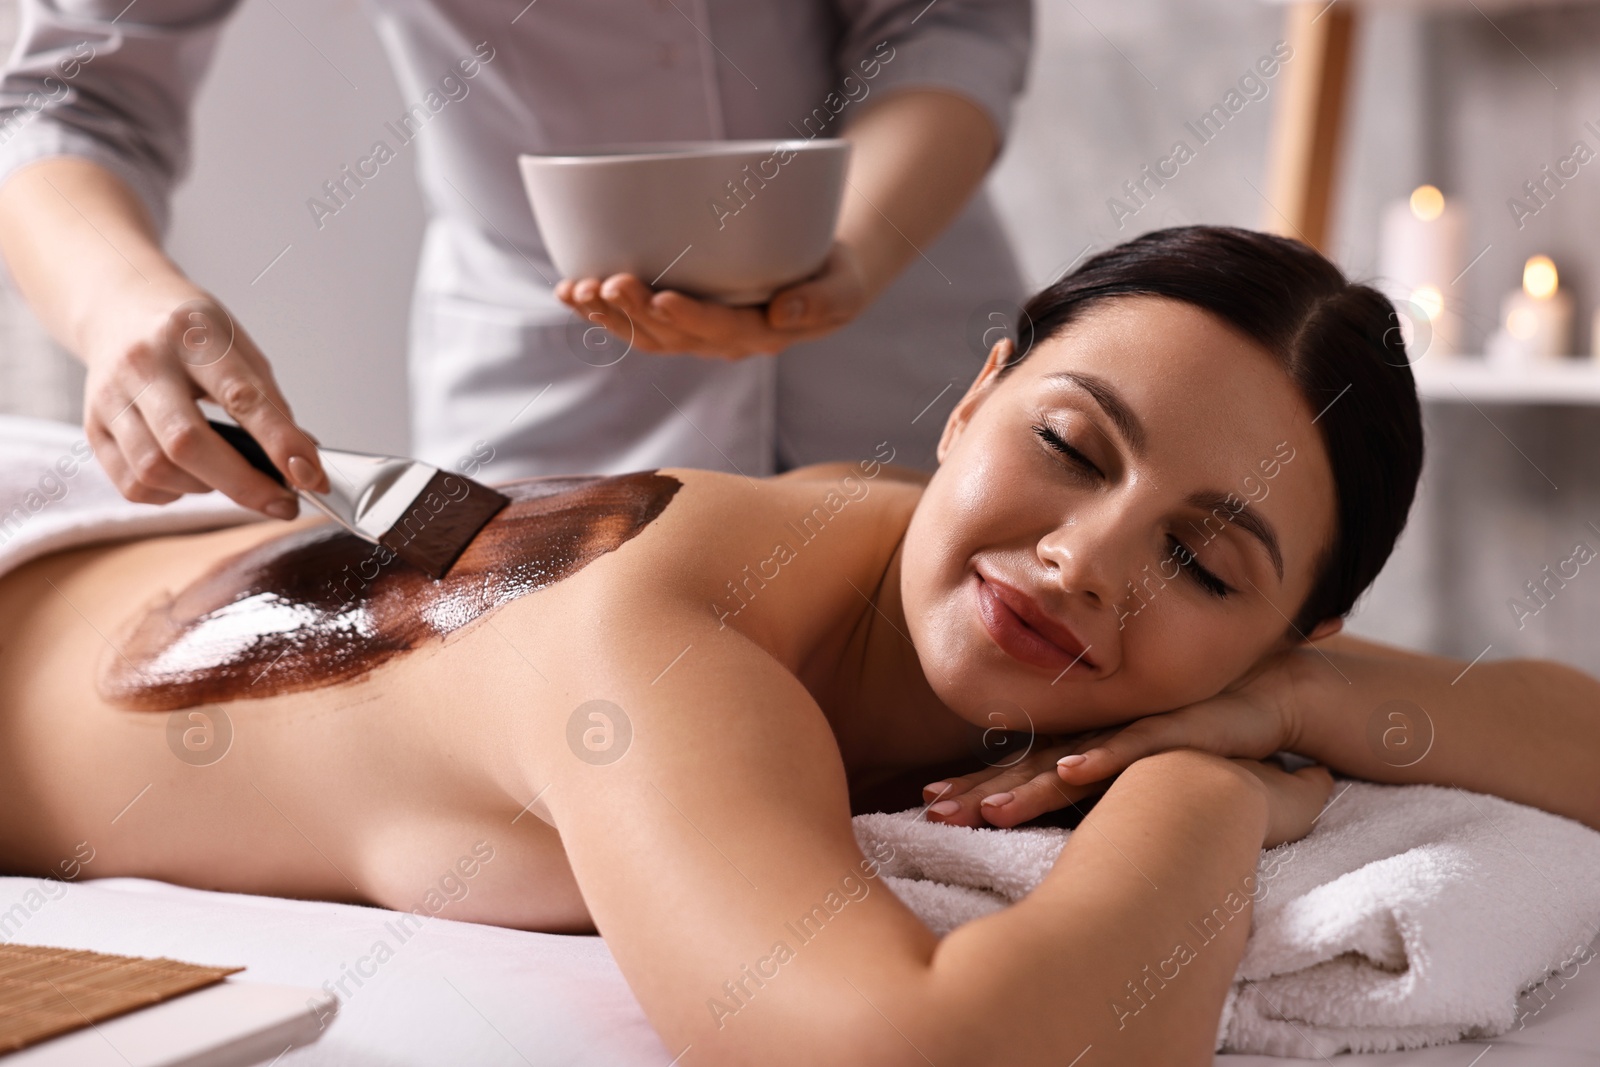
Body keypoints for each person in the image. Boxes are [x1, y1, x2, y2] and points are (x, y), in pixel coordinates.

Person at [2, 227, 1597, 1063]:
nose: (1081, 557)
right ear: (972, 401)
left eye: (1199, 554)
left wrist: (1300, 701)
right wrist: (1213, 800)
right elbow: (925, 1055)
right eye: (1067, 442)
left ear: (1293, 626)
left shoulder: (1019, 592)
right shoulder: (659, 643)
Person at [0, 0, 1030, 524]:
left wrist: (846, 252)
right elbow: (65, 96)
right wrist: (120, 307)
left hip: (906, 359)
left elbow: (946, 19)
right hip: (545, 417)